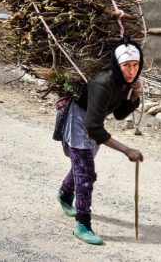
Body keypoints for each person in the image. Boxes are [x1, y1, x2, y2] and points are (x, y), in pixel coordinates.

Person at [56, 39, 144, 245]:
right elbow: (94, 127)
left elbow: (120, 114)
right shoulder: (103, 83)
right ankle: (83, 224)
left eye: (135, 65)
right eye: (126, 66)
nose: (131, 71)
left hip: (93, 118)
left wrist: (135, 94)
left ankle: (64, 193)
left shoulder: (125, 83)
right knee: (86, 173)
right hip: (80, 119)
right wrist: (126, 149)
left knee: (81, 165)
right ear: (117, 64)